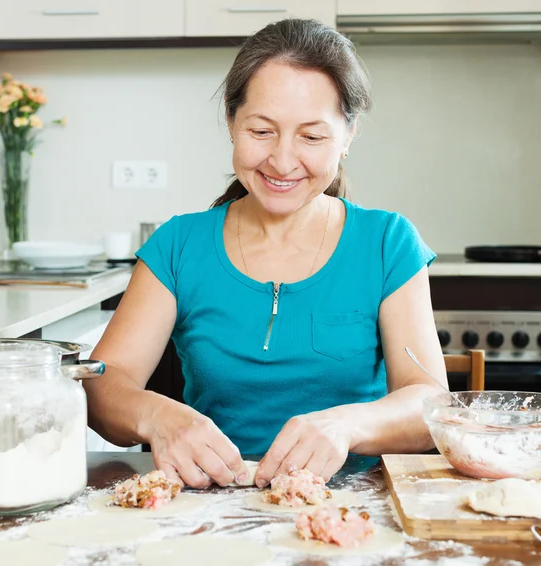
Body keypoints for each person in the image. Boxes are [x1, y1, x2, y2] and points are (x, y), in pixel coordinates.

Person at [84, 18, 446, 490]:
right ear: (232, 122)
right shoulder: (178, 245)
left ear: (349, 136)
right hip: (209, 504)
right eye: (261, 131)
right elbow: (102, 385)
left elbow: (428, 404)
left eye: (312, 137)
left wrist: (346, 426)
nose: (282, 160)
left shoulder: (387, 241)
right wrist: (158, 416)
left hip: (354, 506)